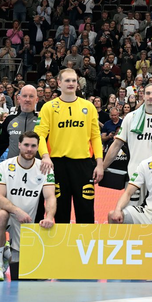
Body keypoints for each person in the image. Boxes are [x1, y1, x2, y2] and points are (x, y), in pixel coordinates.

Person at [35, 68, 103, 224]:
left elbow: (95, 137)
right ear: (59, 83)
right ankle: (59, 248)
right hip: (57, 164)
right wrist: (45, 156)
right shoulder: (49, 107)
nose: (71, 83)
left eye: (74, 80)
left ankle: (85, 247)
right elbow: (39, 135)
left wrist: (99, 163)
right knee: (59, 211)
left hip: (84, 164)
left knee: (86, 210)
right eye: (67, 80)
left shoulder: (88, 106)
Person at [0, 131, 56, 281]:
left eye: (33, 146)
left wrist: (50, 217)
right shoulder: (4, 166)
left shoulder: (45, 168)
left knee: (23, 272)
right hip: (7, 212)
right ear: (19, 145)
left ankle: (8, 253)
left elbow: (50, 196)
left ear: (38, 147)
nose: (29, 149)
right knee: (0, 216)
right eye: (26, 145)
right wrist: (16, 211)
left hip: (26, 221)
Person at [0, 85, 40, 160]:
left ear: (36, 99)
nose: (27, 99)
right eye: (24, 96)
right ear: (19, 99)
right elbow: (1, 146)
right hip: (12, 169)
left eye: (31, 96)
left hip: (36, 168)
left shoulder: (41, 120)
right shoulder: (9, 120)